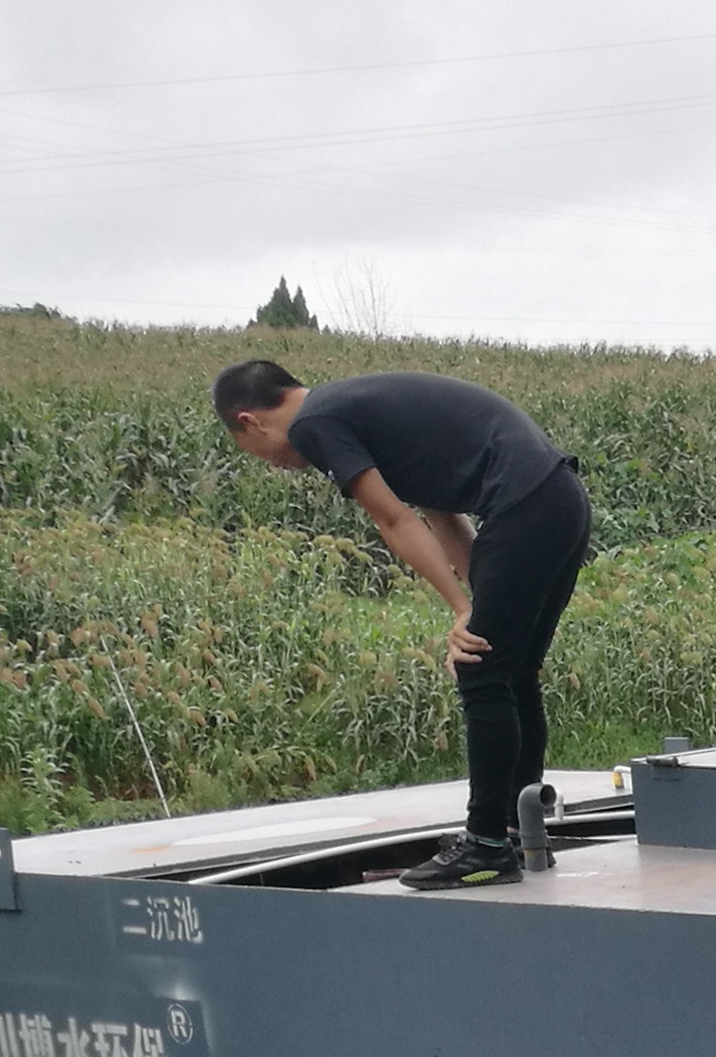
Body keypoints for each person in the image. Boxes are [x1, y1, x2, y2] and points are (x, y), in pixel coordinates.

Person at [210, 359, 590, 888]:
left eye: (253, 452)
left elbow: (394, 520)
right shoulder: (358, 406)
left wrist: (464, 613)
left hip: (524, 504)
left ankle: (485, 845)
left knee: (479, 667)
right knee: (511, 670)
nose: (274, 464)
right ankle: (518, 832)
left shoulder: (313, 424)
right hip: (560, 499)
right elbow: (443, 514)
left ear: (249, 422)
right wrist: (479, 604)